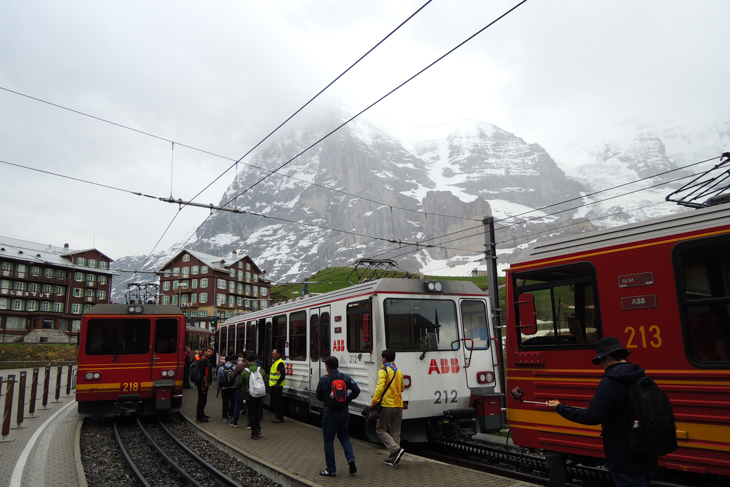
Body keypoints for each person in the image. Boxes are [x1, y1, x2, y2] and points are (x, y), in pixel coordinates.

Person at [548, 336, 657, 487]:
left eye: (600, 361)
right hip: (647, 453)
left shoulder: (611, 382)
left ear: (608, 357)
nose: (600, 365)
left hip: (625, 456)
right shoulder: (642, 377)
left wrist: (561, 408)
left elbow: (593, 416)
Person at [315, 355, 360, 476]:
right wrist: (347, 399)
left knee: (329, 442)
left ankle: (331, 469)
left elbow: (318, 395)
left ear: (327, 367)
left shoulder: (324, 379)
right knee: (344, 437)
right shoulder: (345, 377)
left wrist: (327, 399)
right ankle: (351, 459)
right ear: (337, 366)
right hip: (344, 413)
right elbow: (357, 390)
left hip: (329, 415)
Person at [370, 349, 405, 466]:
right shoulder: (398, 371)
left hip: (387, 405)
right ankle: (392, 458)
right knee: (395, 431)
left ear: (384, 358)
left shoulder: (383, 370)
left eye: (382, 357)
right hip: (399, 405)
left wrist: (374, 402)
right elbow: (402, 388)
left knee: (380, 429)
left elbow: (380, 387)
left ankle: (395, 449)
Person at [240, 353, 267, 440]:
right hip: (259, 395)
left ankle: (254, 433)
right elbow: (265, 381)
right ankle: (258, 428)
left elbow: (240, 382)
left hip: (249, 395)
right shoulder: (261, 370)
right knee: (257, 411)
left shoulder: (245, 372)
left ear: (247, 361)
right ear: (255, 361)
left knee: (251, 413)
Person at [195, 347, 214, 422]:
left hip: (202, 382)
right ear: (205, 351)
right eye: (208, 352)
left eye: (211, 352)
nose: (210, 353)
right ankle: (199, 417)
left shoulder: (203, 359)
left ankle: (202, 414)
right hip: (203, 382)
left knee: (202, 399)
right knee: (202, 399)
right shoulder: (204, 360)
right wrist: (206, 381)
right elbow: (203, 371)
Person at [216, 355, 236, 422]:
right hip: (233, 387)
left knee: (225, 402)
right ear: (231, 361)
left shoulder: (221, 368)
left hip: (224, 388)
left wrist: (222, 384)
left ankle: (224, 417)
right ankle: (232, 416)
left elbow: (218, 378)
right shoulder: (234, 367)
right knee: (233, 402)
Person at [269, 348, 286, 423]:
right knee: (275, 402)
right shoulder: (275, 362)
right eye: (272, 353)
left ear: (278, 354)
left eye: (274, 354)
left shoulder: (280, 363)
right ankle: (277, 417)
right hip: (274, 385)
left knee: (278, 402)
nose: (273, 355)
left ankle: (279, 417)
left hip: (277, 386)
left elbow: (283, 375)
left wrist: (277, 383)